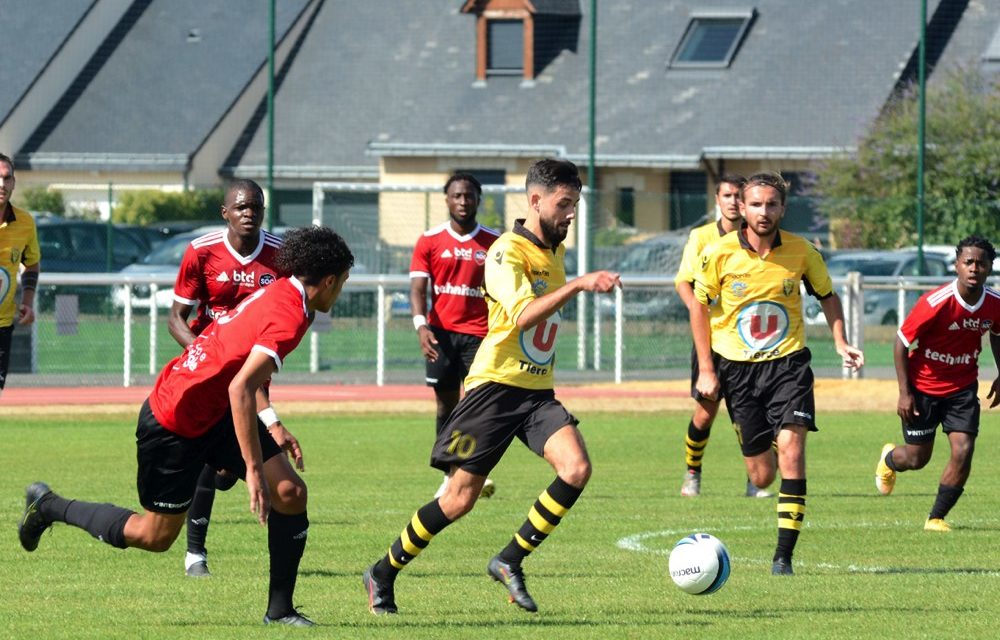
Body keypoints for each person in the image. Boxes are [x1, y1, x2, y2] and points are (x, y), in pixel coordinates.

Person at [18, 226, 355, 627]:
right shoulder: (290, 314)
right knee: (154, 537)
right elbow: (240, 386)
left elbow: (236, 367)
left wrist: (271, 424)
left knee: (289, 491)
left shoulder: (283, 292)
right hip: (173, 418)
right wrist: (251, 469)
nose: (342, 291)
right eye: (344, 282)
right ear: (330, 280)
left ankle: (280, 612)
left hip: (212, 410)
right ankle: (50, 506)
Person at [362, 158, 621, 615]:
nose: (572, 214)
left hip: (537, 393)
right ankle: (383, 571)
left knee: (576, 468)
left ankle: (509, 558)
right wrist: (580, 284)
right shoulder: (505, 252)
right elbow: (523, 315)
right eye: (565, 204)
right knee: (459, 500)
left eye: (576, 204)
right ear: (535, 200)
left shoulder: (555, 250)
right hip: (493, 390)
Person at [690, 171, 863, 576]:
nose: (763, 212)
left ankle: (783, 557)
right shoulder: (717, 253)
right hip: (737, 371)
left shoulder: (802, 251)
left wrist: (840, 341)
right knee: (762, 475)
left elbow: (827, 296)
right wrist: (706, 369)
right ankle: (764, 449)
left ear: (783, 208)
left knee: (793, 452)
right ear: (742, 208)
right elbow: (699, 307)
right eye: (755, 204)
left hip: (789, 366)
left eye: (771, 204)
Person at [168, 179, 296, 578]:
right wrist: (205, 354)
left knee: (228, 470)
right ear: (225, 212)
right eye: (240, 207)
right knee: (211, 459)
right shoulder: (202, 251)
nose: (249, 212)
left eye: (255, 206)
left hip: (253, 373)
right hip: (209, 374)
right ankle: (195, 555)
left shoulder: (280, 256)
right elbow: (176, 318)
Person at [875, 236, 1000, 531]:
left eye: (980, 263)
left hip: (962, 388)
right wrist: (904, 393)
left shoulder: (995, 304)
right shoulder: (935, 302)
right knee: (917, 458)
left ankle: (936, 517)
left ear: (989, 268)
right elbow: (901, 343)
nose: (973, 268)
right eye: (968, 262)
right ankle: (890, 459)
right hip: (923, 389)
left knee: (963, 449)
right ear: (957, 265)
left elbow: (997, 332)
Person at [675, 173, 772, 498]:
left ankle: (754, 478)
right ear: (718, 200)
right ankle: (692, 472)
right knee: (706, 412)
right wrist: (698, 312)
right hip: (715, 341)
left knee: (754, 412)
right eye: (726, 195)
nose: (732, 201)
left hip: (752, 343)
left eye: (737, 196)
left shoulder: (763, 238)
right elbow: (683, 282)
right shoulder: (702, 237)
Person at [410, 172, 500, 499]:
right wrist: (421, 325)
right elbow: (418, 289)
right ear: (447, 199)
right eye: (457, 196)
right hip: (441, 335)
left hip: (481, 336)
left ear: (478, 199)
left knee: (477, 404)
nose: (463, 202)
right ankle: (450, 474)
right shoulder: (430, 240)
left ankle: (474, 470)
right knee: (445, 404)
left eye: (469, 196)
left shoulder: (494, 242)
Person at [0, 153, 40, 399]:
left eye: (7, 178)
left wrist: (27, 302)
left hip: (3, 326)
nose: (1, 184)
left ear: (14, 182)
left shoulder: (25, 222)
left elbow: (32, 265)